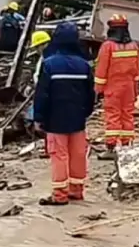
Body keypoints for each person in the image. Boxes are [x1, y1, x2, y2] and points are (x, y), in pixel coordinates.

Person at [32, 22, 94, 206]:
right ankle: (76, 190)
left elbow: (42, 94)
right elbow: (91, 94)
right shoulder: (83, 65)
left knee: (59, 155)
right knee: (78, 154)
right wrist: (85, 113)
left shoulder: (49, 64)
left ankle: (60, 195)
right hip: (78, 119)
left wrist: (38, 117)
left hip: (55, 120)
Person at [93, 14, 139, 159]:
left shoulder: (108, 46)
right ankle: (126, 146)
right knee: (127, 115)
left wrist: (97, 90)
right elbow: (136, 70)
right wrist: (136, 89)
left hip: (113, 88)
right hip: (129, 87)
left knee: (113, 116)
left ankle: (111, 148)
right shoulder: (134, 45)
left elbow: (101, 70)